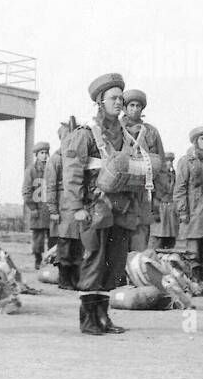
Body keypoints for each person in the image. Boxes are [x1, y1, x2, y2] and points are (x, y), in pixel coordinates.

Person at [63, 73, 141, 336]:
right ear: (99, 101)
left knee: (113, 264)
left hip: (120, 209)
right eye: (113, 98)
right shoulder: (84, 134)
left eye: (121, 98)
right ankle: (88, 319)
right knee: (94, 261)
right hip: (94, 208)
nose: (119, 102)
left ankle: (103, 316)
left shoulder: (127, 137)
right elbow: (72, 173)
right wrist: (77, 207)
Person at [121, 89, 165, 252]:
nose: (135, 109)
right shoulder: (116, 129)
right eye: (131, 105)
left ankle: (135, 274)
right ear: (124, 108)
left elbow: (160, 165)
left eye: (138, 106)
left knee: (141, 234)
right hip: (122, 190)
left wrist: (159, 196)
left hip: (144, 192)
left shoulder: (151, 132)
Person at [174, 127, 203, 283]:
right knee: (193, 243)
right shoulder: (187, 161)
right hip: (193, 206)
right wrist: (183, 210)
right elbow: (180, 187)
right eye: (202, 139)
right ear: (195, 141)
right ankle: (194, 276)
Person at [45, 121, 82, 289]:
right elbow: (51, 186)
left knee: (78, 243)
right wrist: (52, 209)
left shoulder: (78, 158)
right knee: (65, 243)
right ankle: (64, 279)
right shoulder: (56, 159)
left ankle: (75, 278)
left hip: (77, 205)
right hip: (63, 205)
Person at [22, 141, 53, 269]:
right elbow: (26, 190)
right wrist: (32, 207)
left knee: (53, 236)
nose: (44, 156)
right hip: (38, 208)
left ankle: (51, 259)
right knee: (38, 238)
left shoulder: (52, 168)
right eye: (42, 153)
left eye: (46, 153)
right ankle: (38, 259)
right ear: (36, 154)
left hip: (50, 209)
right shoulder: (31, 170)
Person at [149, 150, 178, 250]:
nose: (169, 163)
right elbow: (153, 194)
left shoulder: (173, 176)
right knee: (157, 238)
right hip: (159, 207)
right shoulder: (156, 176)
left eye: (171, 161)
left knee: (171, 239)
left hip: (171, 209)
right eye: (166, 161)